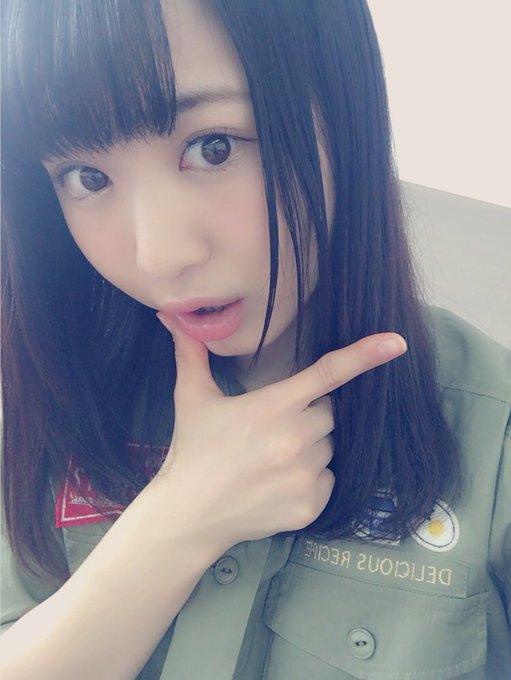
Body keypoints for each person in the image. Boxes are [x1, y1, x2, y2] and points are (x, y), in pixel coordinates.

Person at [1, 0, 509, 678]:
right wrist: (179, 521)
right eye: (86, 177)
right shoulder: (50, 390)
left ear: (342, 112)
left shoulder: (493, 434)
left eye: (212, 147)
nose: (158, 257)